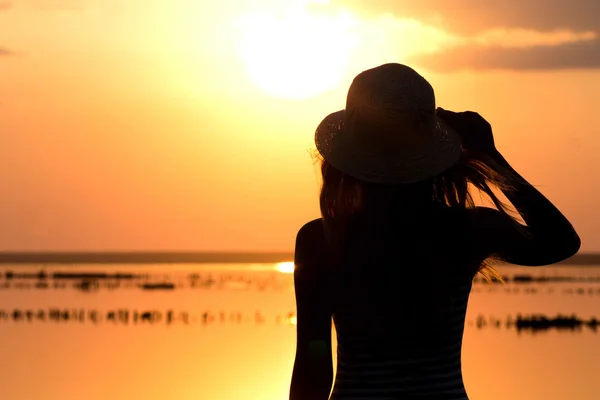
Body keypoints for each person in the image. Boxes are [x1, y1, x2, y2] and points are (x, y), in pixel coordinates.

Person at [289, 63, 581, 399]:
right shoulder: (466, 229)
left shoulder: (320, 240)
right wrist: (491, 157)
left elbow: (312, 367)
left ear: (348, 154)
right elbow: (561, 242)